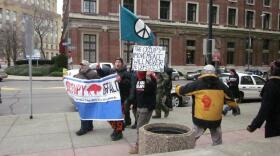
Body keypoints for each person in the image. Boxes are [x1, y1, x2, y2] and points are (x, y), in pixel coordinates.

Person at [175, 64, 238, 146]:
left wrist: (177, 87)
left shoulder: (198, 83)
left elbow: (182, 91)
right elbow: (231, 99)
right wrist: (234, 107)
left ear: (203, 72)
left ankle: (185, 148)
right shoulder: (221, 85)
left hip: (200, 118)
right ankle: (217, 150)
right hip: (215, 119)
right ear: (214, 73)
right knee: (217, 140)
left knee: (193, 137)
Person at [97, 58, 133, 141]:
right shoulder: (112, 71)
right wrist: (98, 69)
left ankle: (118, 132)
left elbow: (129, 85)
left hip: (121, 98)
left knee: (118, 117)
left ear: (122, 64)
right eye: (116, 62)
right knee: (109, 116)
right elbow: (103, 76)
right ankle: (116, 128)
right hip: (111, 98)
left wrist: (121, 81)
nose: (117, 63)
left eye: (119, 62)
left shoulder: (126, 73)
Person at [247, 60, 280, 138]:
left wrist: (253, 126)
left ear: (273, 71)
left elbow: (265, 109)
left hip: (275, 125)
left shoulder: (271, 85)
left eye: (270, 68)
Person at [129, 70, 157, 154]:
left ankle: (138, 147)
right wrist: (134, 104)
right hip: (139, 107)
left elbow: (153, 88)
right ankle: (146, 143)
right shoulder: (139, 80)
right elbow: (138, 94)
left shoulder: (150, 80)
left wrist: (149, 76)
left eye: (139, 71)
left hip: (146, 108)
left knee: (140, 128)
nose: (138, 72)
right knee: (141, 127)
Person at [75, 60, 100, 136]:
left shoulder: (93, 74)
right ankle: (89, 126)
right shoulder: (80, 72)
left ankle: (83, 129)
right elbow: (75, 79)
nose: (81, 66)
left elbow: (99, 82)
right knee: (87, 112)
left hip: (89, 97)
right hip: (81, 96)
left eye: (83, 65)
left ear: (87, 66)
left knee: (84, 112)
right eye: (81, 65)